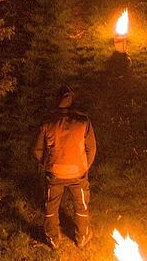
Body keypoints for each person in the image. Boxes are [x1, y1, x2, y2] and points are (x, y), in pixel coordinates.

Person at [33, 86, 96, 249]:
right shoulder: (83, 120)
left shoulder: (48, 121)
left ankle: (53, 239)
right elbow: (92, 148)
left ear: (56, 100)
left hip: (54, 172)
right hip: (78, 173)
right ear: (72, 100)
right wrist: (85, 166)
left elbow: (38, 150)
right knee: (81, 204)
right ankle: (82, 237)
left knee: (51, 205)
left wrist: (45, 165)